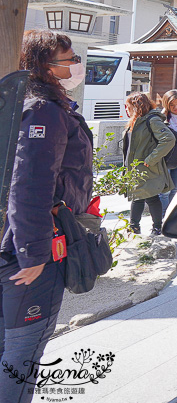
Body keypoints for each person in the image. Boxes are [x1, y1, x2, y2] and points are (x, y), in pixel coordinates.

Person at [1, 32, 92, 403]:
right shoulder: (44, 110)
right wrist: (34, 253)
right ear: (43, 65)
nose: (75, 66)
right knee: (22, 356)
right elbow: (31, 184)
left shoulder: (20, 101)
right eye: (68, 59)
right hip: (29, 250)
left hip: (11, 241)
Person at [123, 93, 175, 235]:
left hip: (147, 167)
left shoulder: (151, 120)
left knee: (151, 197)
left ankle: (156, 227)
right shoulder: (136, 121)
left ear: (137, 107)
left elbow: (168, 139)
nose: (126, 110)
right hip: (136, 168)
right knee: (137, 196)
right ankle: (134, 227)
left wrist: (151, 159)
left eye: (128, 107)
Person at [159, 89, 177, 207]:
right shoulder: (160, 118)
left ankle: (171, 218)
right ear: (166, 104)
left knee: (176, 189)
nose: (176, 107)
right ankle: (163, 218)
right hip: (165, 158)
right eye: (172, 105)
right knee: (164, 191)